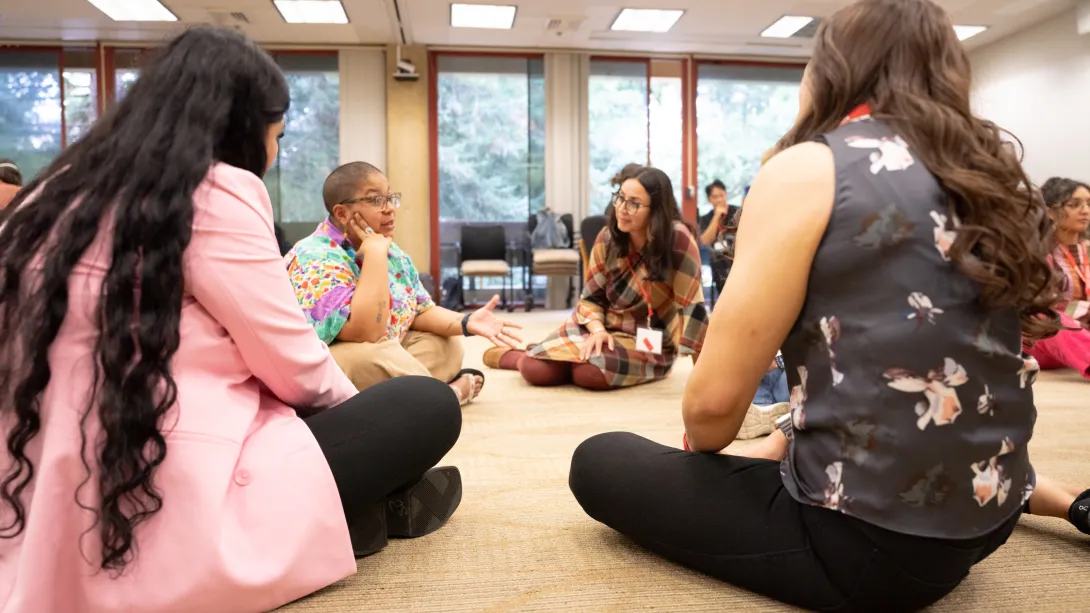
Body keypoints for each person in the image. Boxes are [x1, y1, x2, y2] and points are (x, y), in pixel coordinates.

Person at [568, 2, 1089, 612]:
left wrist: (735, 446)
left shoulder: (810, 168)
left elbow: (709, 415)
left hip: (873, 548)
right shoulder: (997, 180)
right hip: (990, 511)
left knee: (598, 459)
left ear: (829, 70)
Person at [0, 27, 464, 612]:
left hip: (37, 484)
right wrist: (373, 432)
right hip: (163, 482)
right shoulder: (219, 193)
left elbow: (415, 310)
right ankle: (374, 501)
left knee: (414, 371)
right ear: (243, 130)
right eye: (276, 136)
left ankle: (366, 508)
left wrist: (462, 327)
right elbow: (297, 362)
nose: (272, 154)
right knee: (424, 404)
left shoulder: (48, 196)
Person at [286, 162, 522, 403]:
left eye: (390, 198)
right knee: (372, 357)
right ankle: (443, 397)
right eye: (376, 200)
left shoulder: (390, 250)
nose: (390, 209)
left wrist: (465, 321)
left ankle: (413, 397)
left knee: (445, 346)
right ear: (342, 213)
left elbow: (419, 310)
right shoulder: (315, 256)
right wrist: (375, 256)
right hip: (330, 360)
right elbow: (366, 332)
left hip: (385, 348)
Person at [484, 166, 708, 390]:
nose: (621, 209)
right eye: (620, 198)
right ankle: (525, 356)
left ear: (657, 210)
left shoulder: (677, 239)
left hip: (649, 341)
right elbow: (590, 299)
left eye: (634, 203)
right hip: (597, 327)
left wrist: (703, 375)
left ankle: (554, 356)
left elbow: (691, 305)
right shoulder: (608, 238)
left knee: (590, 373)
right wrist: (598, 331)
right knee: (535, 370)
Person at [1025, 177, 1090, 379]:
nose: (1085, 210)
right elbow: (1035, 304)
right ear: (1050, 211)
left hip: (1083, 334)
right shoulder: (1036, 250)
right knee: (1047, 318)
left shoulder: (1087, 250)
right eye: (1074, 204)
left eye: (1089, 203)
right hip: (1044, 339)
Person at [698, 179, 740, 293]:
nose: (719, 200)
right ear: (709, 199)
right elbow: (705, 241)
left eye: (721, 195)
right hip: (719, 259)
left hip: (738, 256)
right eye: (715, 197)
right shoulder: (706, 218)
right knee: (718, 263)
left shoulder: (737, 211)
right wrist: (716, 217)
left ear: (726, 194)